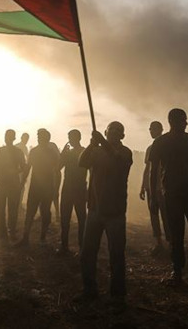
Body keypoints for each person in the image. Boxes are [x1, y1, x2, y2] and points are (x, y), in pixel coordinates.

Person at [75, 122, 132, 310]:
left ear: (122, 136)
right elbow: (81, 163)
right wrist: (92, 144)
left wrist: (102, 143)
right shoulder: (97, 151)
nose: (113, 133)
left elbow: (117, 161)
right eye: (110, 130)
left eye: (118, 131)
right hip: (94, 210)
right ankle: (89, 290)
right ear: (106, 133)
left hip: (115, 212)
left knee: (116, 254)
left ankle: (118, 295)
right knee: (87, 253)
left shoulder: (125, 153)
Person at [150, 109, 188, 283]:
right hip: (175, 194)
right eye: (183, 120)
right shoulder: (162, 142)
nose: (186, 123)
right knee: (178, 235)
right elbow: (153, 171)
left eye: (185, 120)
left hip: (187, 193)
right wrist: (153, 196)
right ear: (173, 121)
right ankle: (179, 271)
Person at [17, 129, 61, 246]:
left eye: (40, 136)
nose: (38, 138)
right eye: (38, 136)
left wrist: (55, 188)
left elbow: (56, 171)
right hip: (37, 186)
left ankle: (42, 237)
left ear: (46, 138)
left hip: (46, 186)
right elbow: (28, 167)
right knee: (31, 212)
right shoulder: (35, 152)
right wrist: (22, 182)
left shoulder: (50, 153)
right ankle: (26, 237)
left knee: (45, 212)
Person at [140, 121, 169, 255]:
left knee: (164, 215)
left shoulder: (166, 146)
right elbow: (148, 168)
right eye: (150, 129)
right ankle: (159, 242)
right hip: (151, 187)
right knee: (155, 215)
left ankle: (168, 241)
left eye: (153, 129)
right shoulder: (150, 148)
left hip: (161, 187)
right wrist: (143, 186)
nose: (150, 131)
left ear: (160, 130)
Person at [0, 129, 27, 240]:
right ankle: (4, 231)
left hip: (11, 183)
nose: (7, 138)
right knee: (2, 208)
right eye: (6, 136)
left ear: (13, 138)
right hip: (4, 183)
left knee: (11, 209)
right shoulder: (1, 151)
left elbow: (24, 167)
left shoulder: (16, 152)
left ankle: (10, 230)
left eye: (9, 136)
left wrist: (14, 173)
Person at [58, 129, 88, 254]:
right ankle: (65, 245)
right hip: (70, 188)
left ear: (78, 138)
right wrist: (63, 153)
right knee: (65, 218)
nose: (70, 140)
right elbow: (58, 167)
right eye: (69, 137)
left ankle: (82, 246)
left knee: (81, 219)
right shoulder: (69, 153)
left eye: (71, 137)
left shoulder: (84, 152)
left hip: (78, 188)